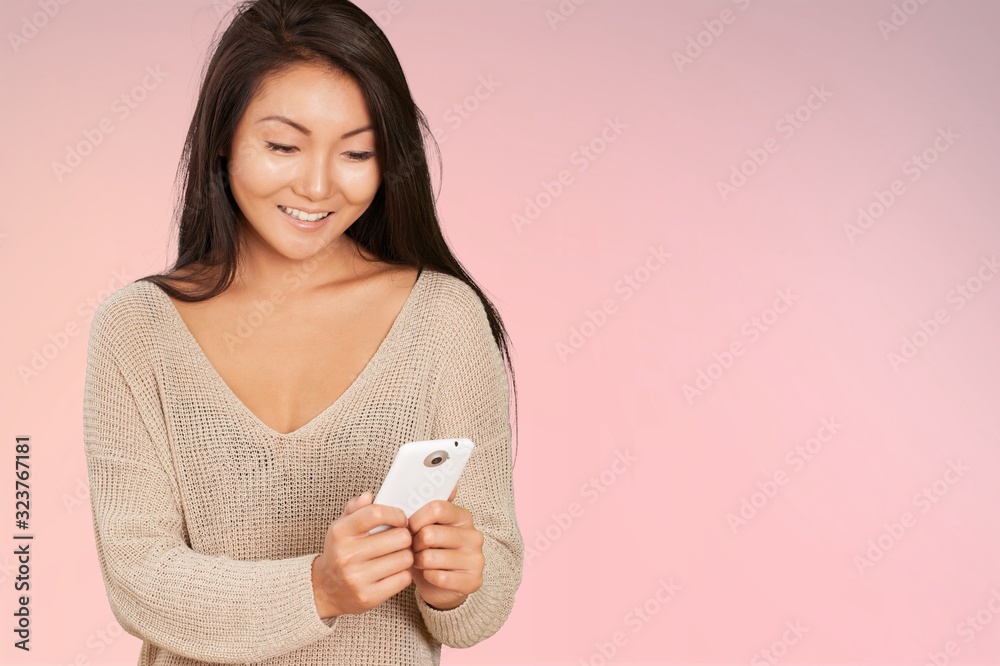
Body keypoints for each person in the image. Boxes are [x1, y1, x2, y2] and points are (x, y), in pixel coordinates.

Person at [81, 1, 523, 664]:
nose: (317, 186)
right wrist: (318, 589)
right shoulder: (137, 330)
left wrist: (455, 585)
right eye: (283, 146)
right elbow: (138, 580)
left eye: (357, 152)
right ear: (224, 136)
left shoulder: (442, 319)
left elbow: (485, 594)